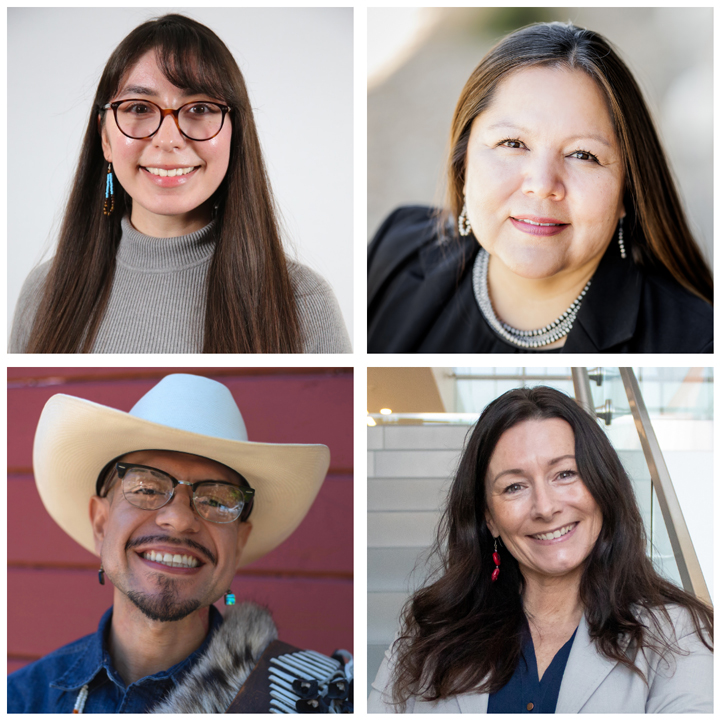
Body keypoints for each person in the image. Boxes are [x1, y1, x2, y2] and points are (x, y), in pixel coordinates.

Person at [8, 373, 353, 713]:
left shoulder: (314, 699)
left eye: (217, 500)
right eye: (146, 488)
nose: (180, 519)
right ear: (101, 523)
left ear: (239, 544)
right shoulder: (18, 701)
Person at [10, 13, 351, 353]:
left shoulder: (304, 302)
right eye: (140, 107)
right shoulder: (44, 292)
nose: (168, 139)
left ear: (235, 134)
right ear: (105, 138)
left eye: (200, 108)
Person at [367, 22, 713, 353]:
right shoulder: (397, 248)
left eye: (583, 154)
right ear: (463, 161)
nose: (543, 185)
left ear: (628, 189)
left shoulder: (697, 342)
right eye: (513, 143)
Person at [369, 386, 713, 713]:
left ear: (603, 486)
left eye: (565, 474)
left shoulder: (679, 634)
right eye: (514, 486)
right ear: (488, 518)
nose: (545, 508)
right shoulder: (430, 630)